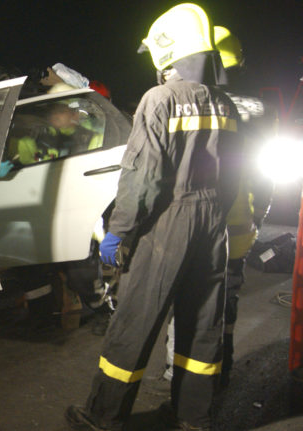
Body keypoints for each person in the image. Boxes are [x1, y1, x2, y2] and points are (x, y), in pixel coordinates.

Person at [64, 4, 243, 430]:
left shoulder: (159, 99)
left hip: (169, 223)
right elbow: (237, 174)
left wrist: (118, 231)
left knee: (134, 323)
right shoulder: (225, 104)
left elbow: (142, 177)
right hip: (213, 226)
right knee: (202, 326)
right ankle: (192, 417)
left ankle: (104, 417)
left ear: (168, 52)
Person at [158, 25, 274, 389]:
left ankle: (177, 373)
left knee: (188, 301)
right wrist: (257, 217)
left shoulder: (188, 101)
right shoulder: (258, 109)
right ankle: (221, 367)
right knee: (226, 300)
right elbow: (264, 176)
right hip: (239, 227)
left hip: (192, 223)